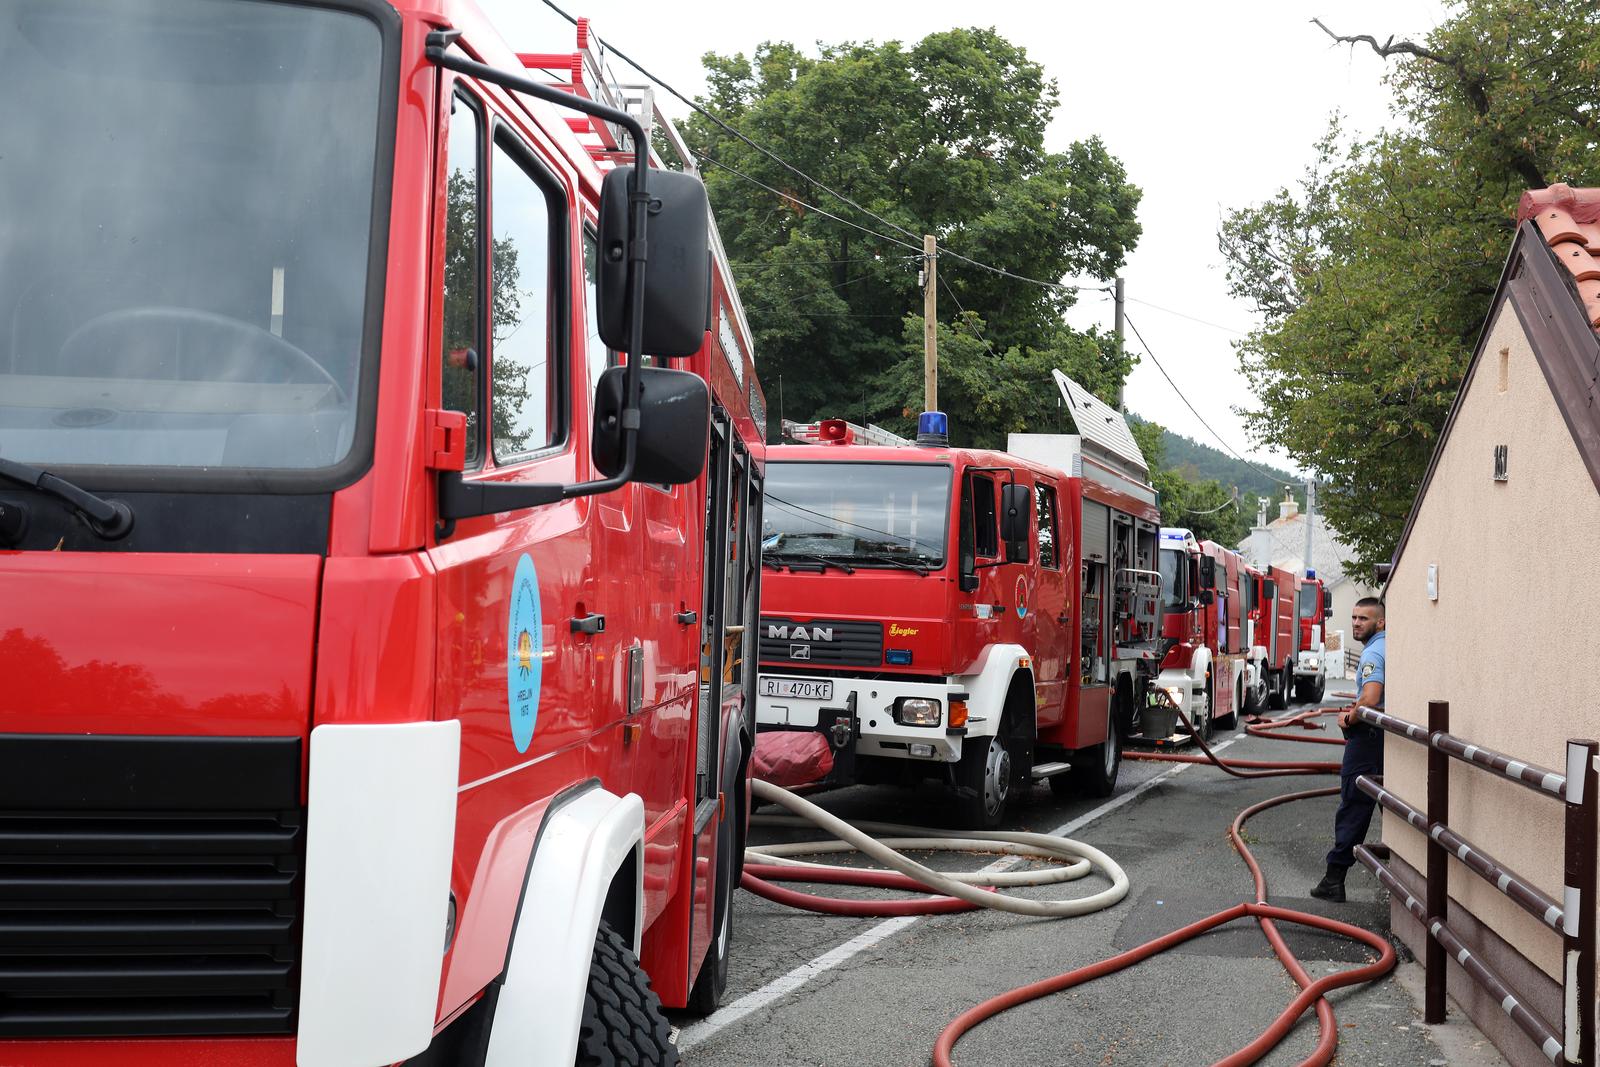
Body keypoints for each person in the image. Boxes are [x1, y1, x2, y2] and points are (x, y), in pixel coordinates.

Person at [1310, 597, 1386, 903]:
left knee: (1354, 802)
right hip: (1384, 738)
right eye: (1354, 618)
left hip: (1368, 738)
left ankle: (1334, 877)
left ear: (1380, 623)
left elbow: (1370, 697)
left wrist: (1348, 717)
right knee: (1387, 801)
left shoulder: (1373, 654)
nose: (1356, 623)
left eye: (1363, 619)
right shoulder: (1390, 646)